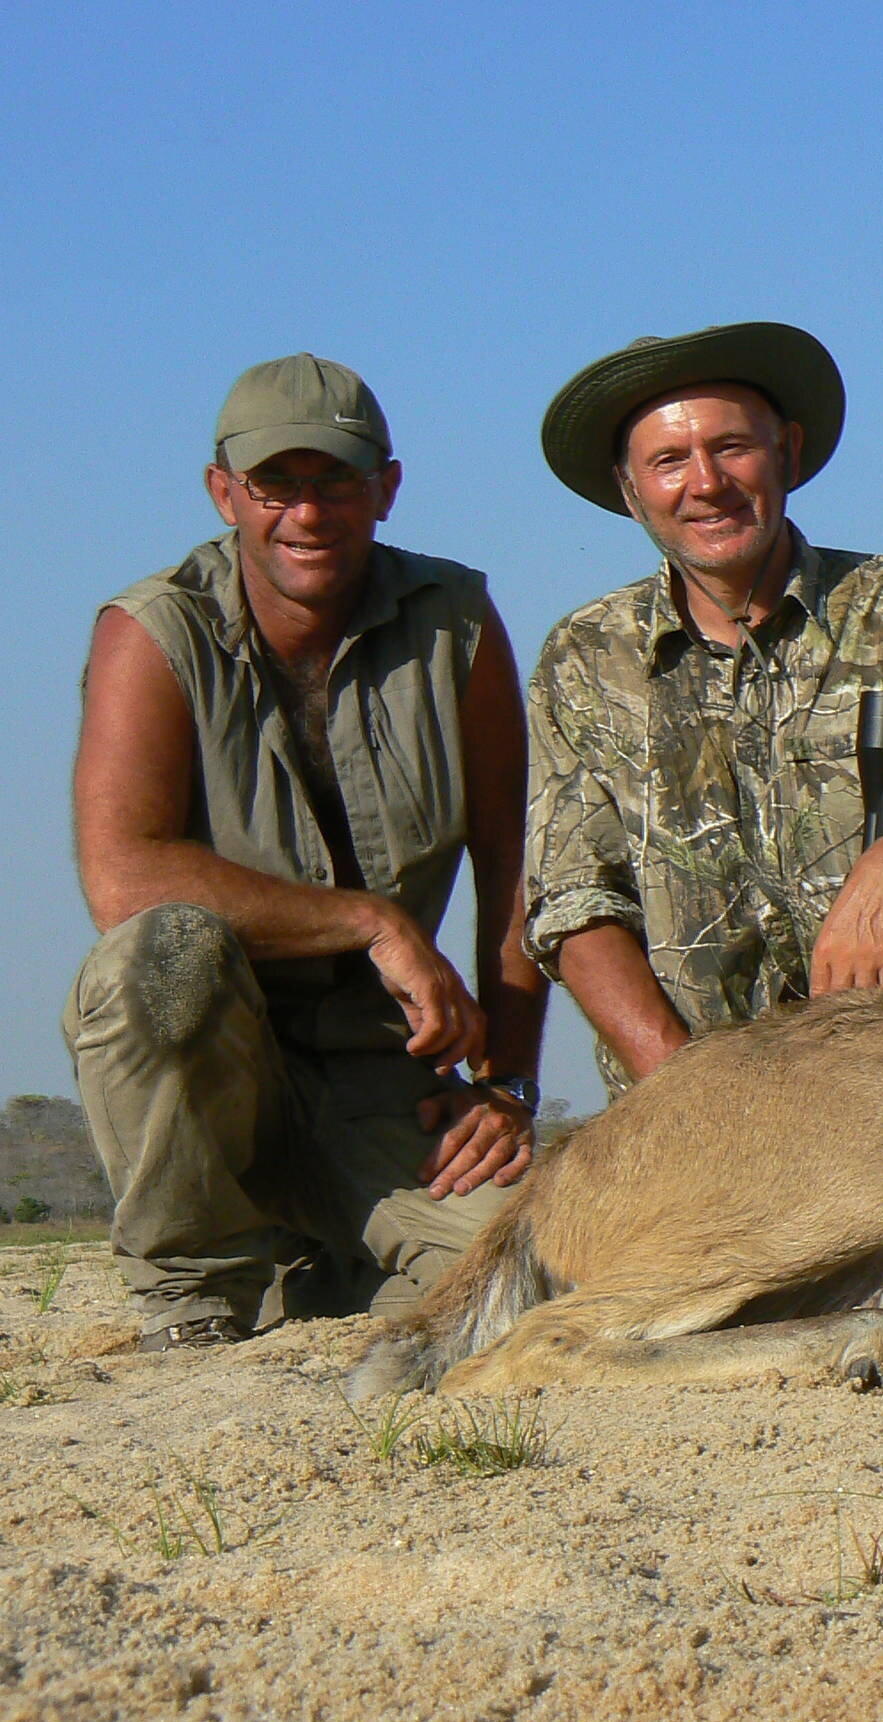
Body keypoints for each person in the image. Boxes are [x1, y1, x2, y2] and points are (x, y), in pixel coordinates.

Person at [67, 354, 547, 1351]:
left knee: (529, 1282)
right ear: (224, 492)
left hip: (382, 1072)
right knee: (163, 956)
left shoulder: (456, 620)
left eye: (335, 480)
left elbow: (514, 861)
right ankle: (193, 1299)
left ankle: (328, 1272)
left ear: (385, 487)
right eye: (274, 485)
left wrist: (507, 1087)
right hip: (218, 1068)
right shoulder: (151, 629)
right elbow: (122, 872)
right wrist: (373, 922)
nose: (307, 512)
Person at [526, 321, 883, 1089]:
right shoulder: (584, 655)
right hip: (707, 1091)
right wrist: (680, 1086)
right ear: (632, 492)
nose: (706, 482)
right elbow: (571, 901)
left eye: (732, 447)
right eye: (669, 461)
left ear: (787, 452)